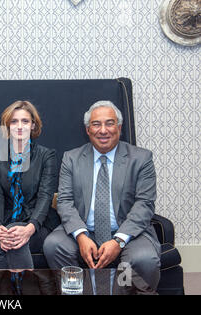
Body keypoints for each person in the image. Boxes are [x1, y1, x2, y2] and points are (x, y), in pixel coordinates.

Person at [43, 100, 161, 290]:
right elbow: (65, 201)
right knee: (54, 245)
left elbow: (144, 204)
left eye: (109, 123)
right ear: (88, 130)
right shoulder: (71, 158)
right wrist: (81, 235)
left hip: (128, 231)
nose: (103, 130)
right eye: (96, 124)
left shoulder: (141, 158)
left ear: (119, 127)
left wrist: (119, 240)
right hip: (84, 228)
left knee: (144, 258)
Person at [0, 100, 59, 274]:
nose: (19, 126)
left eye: (25, 121)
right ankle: (28, 287)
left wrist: (30, 228)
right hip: (5, 222)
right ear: (7, 126)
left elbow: (45, 196)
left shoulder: (47, 156)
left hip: (37, 223)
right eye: (14, 122)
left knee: (16, 242)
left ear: (33, 125)